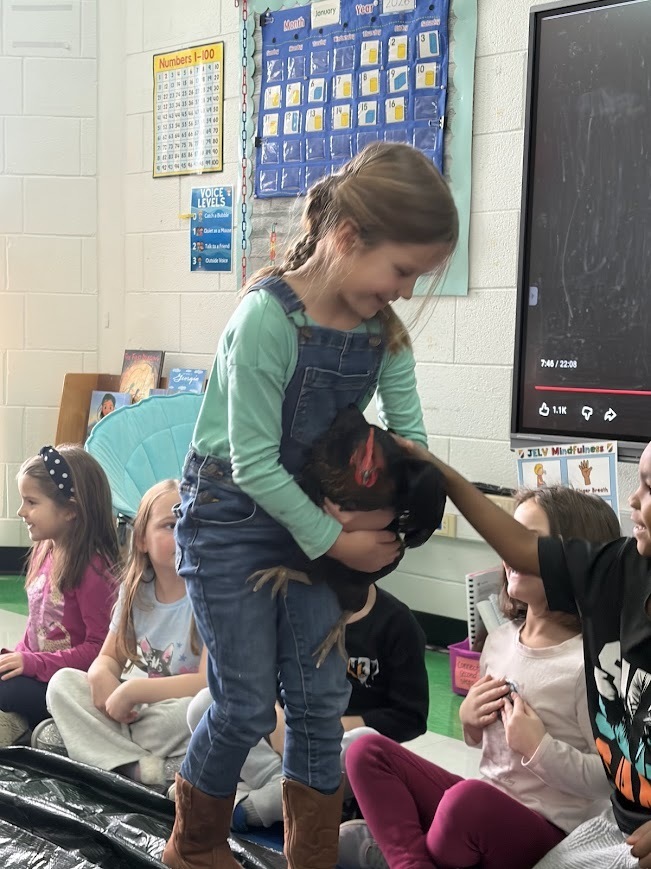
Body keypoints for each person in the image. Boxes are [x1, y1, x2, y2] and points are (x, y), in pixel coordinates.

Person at [162, 141, 459, 869]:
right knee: (241, 701)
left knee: (321, 699)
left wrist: (392, 512)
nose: (406, 293)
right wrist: (339, 539)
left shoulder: (381, 333)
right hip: (232, 516)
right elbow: (256, 462)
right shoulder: (266, 319)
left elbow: (408, 441)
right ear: (348, 237)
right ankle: (193, 843)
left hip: (312, 521)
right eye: (401, 271)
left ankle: (311, 858)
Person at [396, 439, 651, 869]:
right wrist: (438, 469)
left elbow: (590, 775)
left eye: (649, 486)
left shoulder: (574, 661)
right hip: (616, 820)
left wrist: (541, 749)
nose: (632, 498)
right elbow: (518, 546)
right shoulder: (619, 569)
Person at [340, 486, 620, 869]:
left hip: (546, 831)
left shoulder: (590, 663)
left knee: (465, 803)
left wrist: (540, 749)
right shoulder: (501, 640)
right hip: (480, 809)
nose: (510, 552)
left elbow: (608, 779)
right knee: (363, 749)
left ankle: (391, 851)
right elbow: (486, 747)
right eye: (508, 537)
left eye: (529, 542)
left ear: (576, 558)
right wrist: (468, 721)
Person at [186, 582, 428, 831]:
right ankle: (279, 786)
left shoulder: (397, 622)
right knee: (204, 704)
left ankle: (255, 805)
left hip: (337, 747)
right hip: (282, 735)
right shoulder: (287, 606)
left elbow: (411, 717)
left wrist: (329, 727)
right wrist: (280, 719)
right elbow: (260, 681)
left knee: (363, 742)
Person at [43, 480, 207, 790]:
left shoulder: (211, 596)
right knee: (62, 684)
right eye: (170, 525)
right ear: (142, 539)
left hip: (174, 714)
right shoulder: (136, 590)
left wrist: (132, 693)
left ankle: (98, 750)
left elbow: (206, 683)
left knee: (204, 709)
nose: (183, 533)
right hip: (139, 712)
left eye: (192, 523)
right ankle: (142, 766)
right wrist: (102, 675)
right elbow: (108, 656)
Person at [0, 445, 118, 746]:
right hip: (40, 671)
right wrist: (18, 657)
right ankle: (23, 725)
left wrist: (32, 664)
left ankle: (38, 728)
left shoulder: (94, 569)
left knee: (8, 692)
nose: (21, 512)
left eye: (31, 502)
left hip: (68, 686)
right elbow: (35, 626)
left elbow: (100, 650)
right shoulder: (45, 548)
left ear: (70, 510)